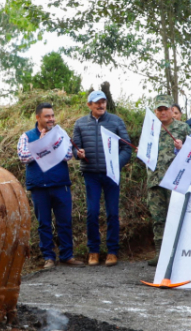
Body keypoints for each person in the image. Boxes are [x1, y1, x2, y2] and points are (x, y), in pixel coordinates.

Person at [72, 90, 132, 266]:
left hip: (112, 175)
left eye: (103, 102)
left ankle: (112, 251)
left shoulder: (116, 121)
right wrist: (78, 153)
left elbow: (127, 148)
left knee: (113, 213)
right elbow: (75, 148)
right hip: (91, 174)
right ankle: (93, 251)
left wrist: (115, 164)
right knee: (92, 212)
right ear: (89, 105)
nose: (101, 105)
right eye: (97, 102)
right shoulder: (80, 123)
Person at [17, 102, 77, 269]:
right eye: (47, 116)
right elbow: (23, 156)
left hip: (61, 184)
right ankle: (48, 258)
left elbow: (67, 154)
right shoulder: (27, 136)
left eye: (52, 115)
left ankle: (67, 256)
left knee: (64, 221)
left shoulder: (60, 134)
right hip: (39, 186)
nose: (51, 119)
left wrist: (45, 146)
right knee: (44, 223)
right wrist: (42, 145)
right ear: (38, 118)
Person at [146, 96, 191, 266]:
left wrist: (183, 147)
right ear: (156, 111)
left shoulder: (182, 127)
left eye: (166, 109)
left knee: (177, 217)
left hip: (174, 180)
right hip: (154, 179)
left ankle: (178, 253)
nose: (163, 112)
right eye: (159, 109)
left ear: (172, 110)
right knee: (158, 218)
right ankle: (160, 253)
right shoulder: (150, 129)